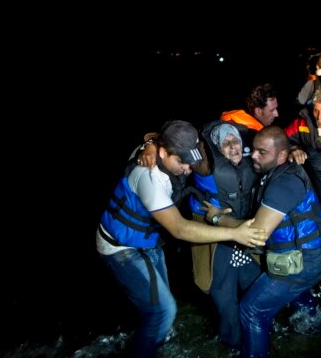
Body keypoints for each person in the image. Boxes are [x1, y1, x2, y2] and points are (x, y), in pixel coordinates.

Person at [96, 120, 267, 358]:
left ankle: (154, 344)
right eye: (182, 161)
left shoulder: (166, 149)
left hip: (148, 241)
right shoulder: (149, 177)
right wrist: (235, 232)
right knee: (163, 311)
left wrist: (150, 142)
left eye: (190, 160)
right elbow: (179, 228)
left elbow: (158, 134)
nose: (188, 168)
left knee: (161, 313)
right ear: (164, 153)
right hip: (119, 246)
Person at [204, 126, 321, 357]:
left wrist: (217, 217)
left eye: (261, 152)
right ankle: (320, 333)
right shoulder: (284, 170)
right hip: (318, 254)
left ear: (282, 156)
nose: (252, 155)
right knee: (293, 296)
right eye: (253, 149)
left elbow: (257, 233)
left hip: (304, 262)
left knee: (251, 310)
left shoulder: (282, 184)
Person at [187, 121, 261, 352]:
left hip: (245, 238)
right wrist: (149, 145)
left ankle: (259, 340)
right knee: (225, 301)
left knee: (258, 295)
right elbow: (175, 145)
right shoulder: (204, 165)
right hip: (218, 240)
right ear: (217, 148)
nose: (233, 146)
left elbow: (279, 145)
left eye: (235, 141)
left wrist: (295, 150)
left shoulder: (253, 159)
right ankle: (232, 346)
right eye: (226, 143)